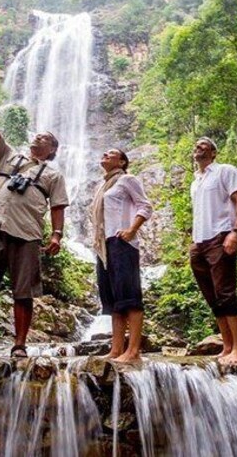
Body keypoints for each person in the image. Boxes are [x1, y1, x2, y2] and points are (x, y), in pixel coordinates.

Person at [0, 71, 68, 359]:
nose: (37, 138)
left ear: (52, 150)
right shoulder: (9, 156)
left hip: (27, 237)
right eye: (37, 136)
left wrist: (57, 235)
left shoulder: (54, 175)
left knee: (23, 293)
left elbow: (58, 207)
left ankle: (20, 345)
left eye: (44, 138)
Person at [189, 137, 237, 364]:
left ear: (213, 153)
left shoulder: (225, 171)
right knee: (212, 296)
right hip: (199, 242)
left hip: (221, 236)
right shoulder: (195, 182)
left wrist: (236, 231)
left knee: (225, 292)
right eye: (197, 144)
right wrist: (194, 242)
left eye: (205, 144)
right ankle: (227, 346)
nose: (199, 146)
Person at [91, 148, 153, 363]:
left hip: (122, 242)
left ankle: (133, 350)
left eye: (111, 153)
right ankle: (116, 349)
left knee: (130, 297)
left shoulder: (127, 179)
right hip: (104, 245)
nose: (105, 154)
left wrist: (131, 230)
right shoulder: (103, 185)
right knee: (114, 300)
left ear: (123, 161)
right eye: (104, 153)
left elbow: (145, 206)